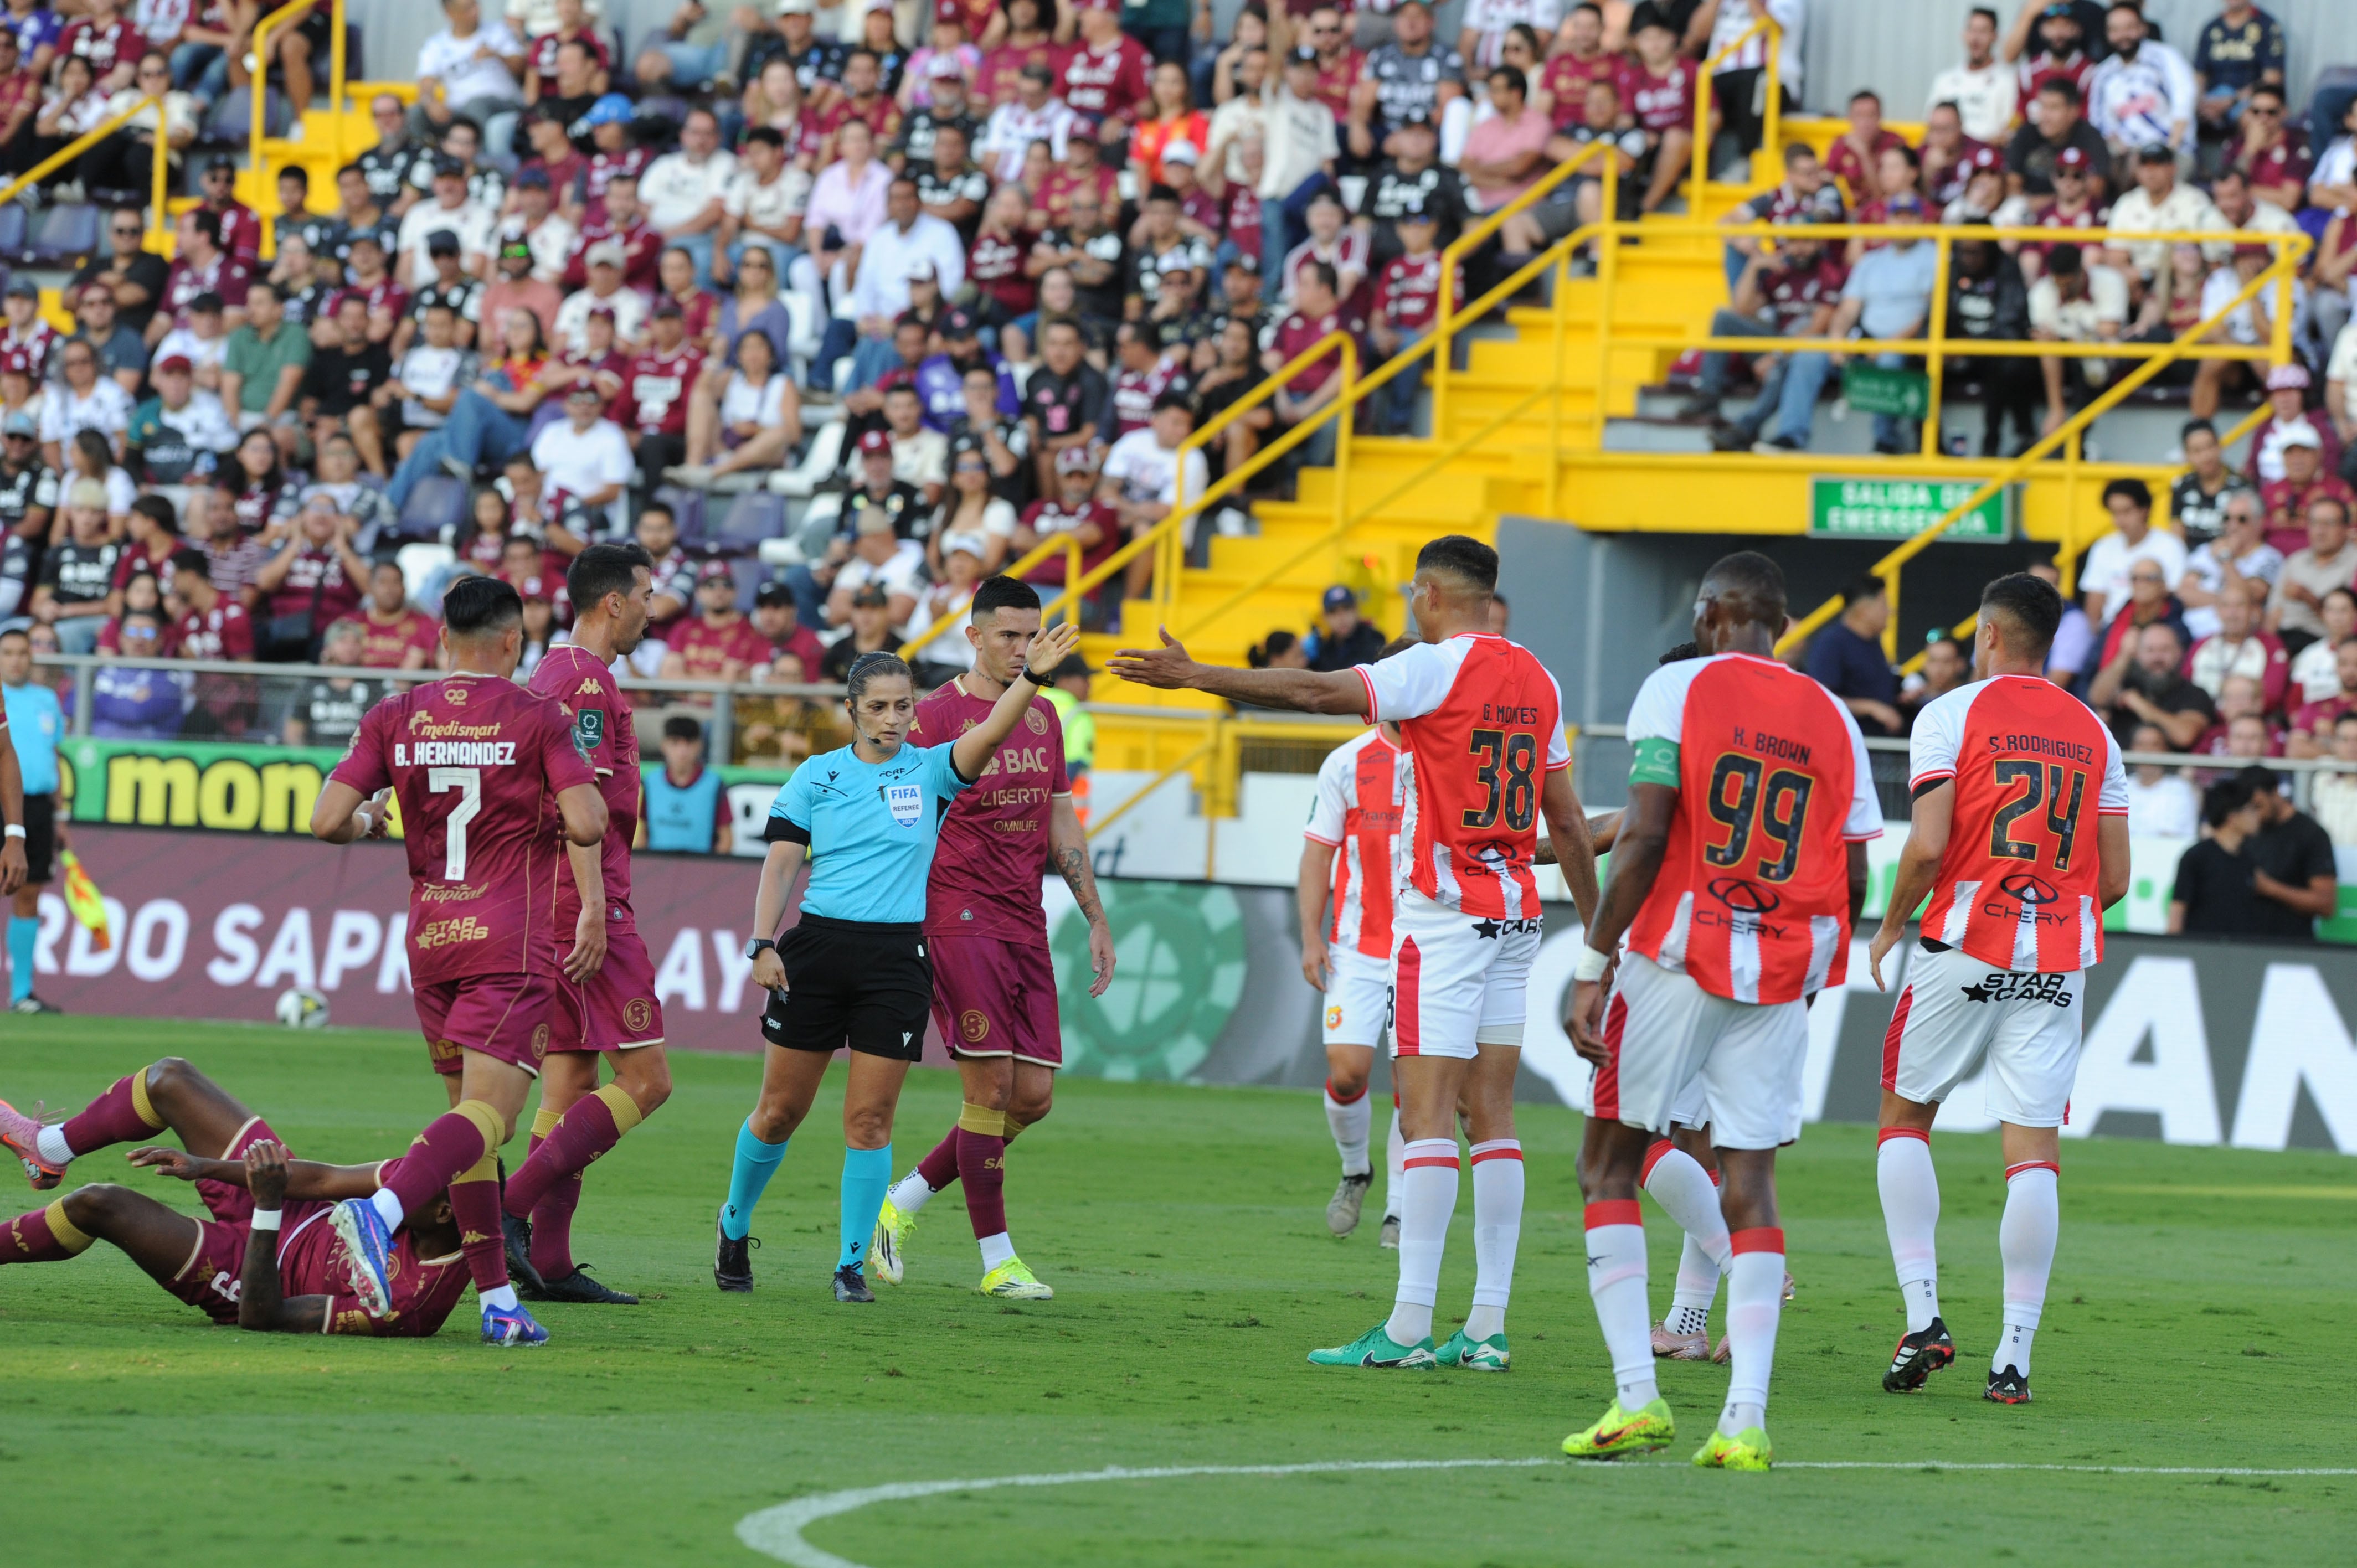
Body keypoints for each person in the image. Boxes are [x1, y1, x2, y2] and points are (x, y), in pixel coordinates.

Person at [1111, 535, 1601, 1373]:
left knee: (1423, 1116)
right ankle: (1486, 1326)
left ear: (1429, 596)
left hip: (1442, 921)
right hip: (1518, 914)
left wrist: (1200, 678)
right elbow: (1564, 820)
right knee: (1495, 1117)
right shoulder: (1538, 677)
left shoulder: (1432, 667)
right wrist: (1599, 942)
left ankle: (1409, 1328)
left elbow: (1311, 688)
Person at [1551, 550, 1875, 1469]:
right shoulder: (1836, 717)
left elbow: (1647, 831)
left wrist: (1592, 960)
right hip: (1783, 966)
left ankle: (1637, 1398)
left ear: (1712, 612)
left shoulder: (1680, 690)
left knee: (1607, 1161)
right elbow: (1853, 870)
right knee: (1752, 1178)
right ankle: (1743, 1418)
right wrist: (1816, 959)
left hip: (1679, 953)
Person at [715, 618, 1081, 1299]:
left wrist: (1029, 677)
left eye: (903, 705)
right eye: (877, 707)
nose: (892, 718)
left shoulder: (934, 769)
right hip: (816, 952)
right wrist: (763, 943)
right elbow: (781, 865)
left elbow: (993, 731)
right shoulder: (814, 777)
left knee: (869, 1121)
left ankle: (850, 1264)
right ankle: (734, 1222)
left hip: (896, 960)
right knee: (778, 1113)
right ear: (850, 710)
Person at [309, 574, 608, 1347]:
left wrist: (378, 820)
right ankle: (379, 1215)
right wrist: (565, 792)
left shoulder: (394, 715)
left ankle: (497, 1304)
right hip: (509, 942)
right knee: (494, 1118)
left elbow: (326, 820)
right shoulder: (541, 715)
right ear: (514, 641)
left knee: (468, 1127)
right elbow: (586, 823)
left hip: (431, 939)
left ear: (442, 638)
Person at [1866, 570, 2132, 1409]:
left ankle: (1924, 1318)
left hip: (1963, 941)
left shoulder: (1950, 714)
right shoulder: (2095, 731)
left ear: (1987, 634)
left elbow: (1927, 845)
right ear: (2048, 642)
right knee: (2034, 1153)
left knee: (1906, 1117)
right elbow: (2116, 878)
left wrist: (1890, 923)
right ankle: (2013, 1358)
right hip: (2057, 956)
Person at [869, 577, 1116, 1296]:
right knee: (991, 1087)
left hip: (1023, 918)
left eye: (1031, 635)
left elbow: (1061, 818)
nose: (1022, 648)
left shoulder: (1046, 717)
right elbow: (897, 818)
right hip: (955, 914)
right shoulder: (934, 716)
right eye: (1008, 635)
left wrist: (1095, 914)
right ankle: (997, 1261)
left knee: (1032, 1098)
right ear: (973, 637)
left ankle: (900, 1203)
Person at [494, 542, 673, 1307]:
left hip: (554, 902)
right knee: (648, 1081)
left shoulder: (555, 675)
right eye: (645, 595)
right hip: (584, 905)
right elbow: (581, 814)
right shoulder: (586, 684)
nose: (651, 610)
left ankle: (553, 1261)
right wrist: (597, 910)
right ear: (612, 603)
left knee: (570, 1083)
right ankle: (502, 1215)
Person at [0, 1058, 467, 1337]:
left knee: (101, 1203)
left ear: (446, 1211)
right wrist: (209, 1169)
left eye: (412, 1187)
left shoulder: (408, 1303)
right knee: (170, 1080)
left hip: (256, 1274)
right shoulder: (430, 1177)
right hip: (291, 1204)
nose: (401, 1184)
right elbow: (325, 1181)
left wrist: (266, 1207)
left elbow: (265, 1315)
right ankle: (49, 1149)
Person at [1294, 639, 1409, 1244]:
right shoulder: (1347, 762)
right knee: (1347, 1072)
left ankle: (1398, 1209)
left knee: (1417, 1083)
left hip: (1428, 951)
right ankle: (1354, 1170)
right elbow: (1317, 855)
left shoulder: (1452, 762)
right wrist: (1311, 936)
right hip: (1358, 949)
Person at [0, 625, 58, 1013]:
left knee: (29, 892)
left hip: (33, 805)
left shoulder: (47, 700)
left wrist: (62, 812)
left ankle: (22, 993)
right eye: (8, 652)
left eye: (23, 652)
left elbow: (50, 755)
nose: (16, 659)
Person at [2233, 763, 2338, 940]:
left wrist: (2270, 888)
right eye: (2247, 809)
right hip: (2246, 943)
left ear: (2275, 793)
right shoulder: (2245, 830)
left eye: (2258, 806)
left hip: (2291, 946)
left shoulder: (2311, 834)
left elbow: (2326, 903)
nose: (2254, 815)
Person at [2167, 774, 2268, 934]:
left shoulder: (2248, 860)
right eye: (2252, 809)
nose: (2257, 815)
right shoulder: (2196, 857)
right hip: (2201, 952)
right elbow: (2178, 911)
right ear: (2233, 817)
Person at [1806, 576, 1902, 736]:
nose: (1890, 611)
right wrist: (1872, 708)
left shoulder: (1873, 643)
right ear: (1863, 610)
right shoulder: (1832, 642)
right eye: (1884, 604)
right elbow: (1821, 699)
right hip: (1847, 745)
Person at [2121, 719, 2198, 837]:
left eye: (2155, 745)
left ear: (2165, 751)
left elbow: (2177, 836)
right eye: (2140, 745)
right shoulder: (2121, 786)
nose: (2147, 751)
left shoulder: (2180, 789)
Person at [1304, 584, 1385, 671]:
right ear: (1325, 617)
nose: (1341, 618)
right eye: (1333, 612)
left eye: (1346, 609)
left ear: (1356, 610)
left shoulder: (1374, 641)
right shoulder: (1322, 647)